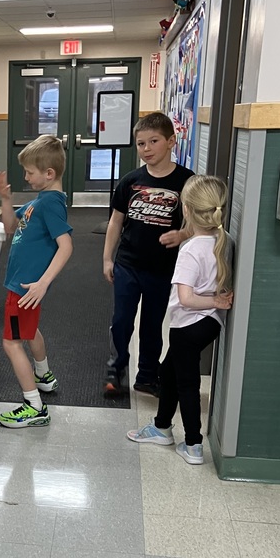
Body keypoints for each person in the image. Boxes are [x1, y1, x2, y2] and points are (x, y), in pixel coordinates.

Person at [127, 175, 233, 464]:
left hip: (188, 324)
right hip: (209, 323)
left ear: (186, 209)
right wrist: (216, 304)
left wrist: (214, 301)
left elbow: (186, 299)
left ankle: (194, 444)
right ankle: (161, 426)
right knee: (169, 371)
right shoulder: (221, 241)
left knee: (186, 382)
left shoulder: (190, 250)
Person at [102, 111, 195, 399]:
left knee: (153, 325)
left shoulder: (187, 181)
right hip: (128, 264)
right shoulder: (131, 181)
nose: (147, 149)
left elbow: (197, 224)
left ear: (170, 142)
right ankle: (116, 369)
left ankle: (146, 375)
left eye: (153, 141)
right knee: (122, 321)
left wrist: (181, 235)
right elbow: (116, 222)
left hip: (163, 268)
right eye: (141, 144)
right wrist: (107, 258)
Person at [0, 135, 73, 428]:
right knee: (29, 331)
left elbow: (66, 246)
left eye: (29, 172)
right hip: (23, 284)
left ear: (49, 174)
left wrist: (42, 283)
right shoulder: (40, 201)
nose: (25, 176)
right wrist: (5, 197)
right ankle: (44, 375)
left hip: (25, 287)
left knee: (11, 343)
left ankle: (33, 406)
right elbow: (9, 226)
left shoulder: (51, 203)